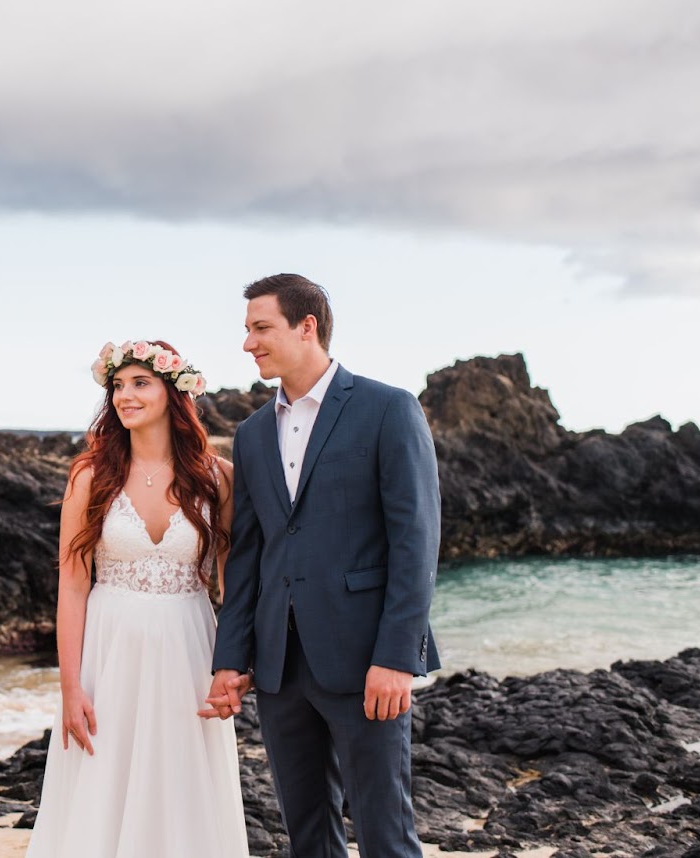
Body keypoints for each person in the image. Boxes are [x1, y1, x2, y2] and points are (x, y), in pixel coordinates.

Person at [202, 274, 441, 858]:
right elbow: (250, 553)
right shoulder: (253, 433)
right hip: (280, 668)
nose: (248, 343)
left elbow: (416, 541)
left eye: (261, 328)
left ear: (306, 327)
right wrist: (232, 659)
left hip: (365, 660)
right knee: (308, 836)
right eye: (247, 330)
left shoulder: (388, 409)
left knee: (386, 835)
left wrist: (395, 657)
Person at [28, 340, 248, 858]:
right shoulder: (89, 476)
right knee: (102, 786)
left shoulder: (218, 477)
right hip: (108, 654)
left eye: (140, 383)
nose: (125, 395)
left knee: (181, 784)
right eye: (118, 385)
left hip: (188, 650)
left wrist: (234, 665)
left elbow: (233, 582)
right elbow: (74, 585)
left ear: (175, 392)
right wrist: (70, 688)